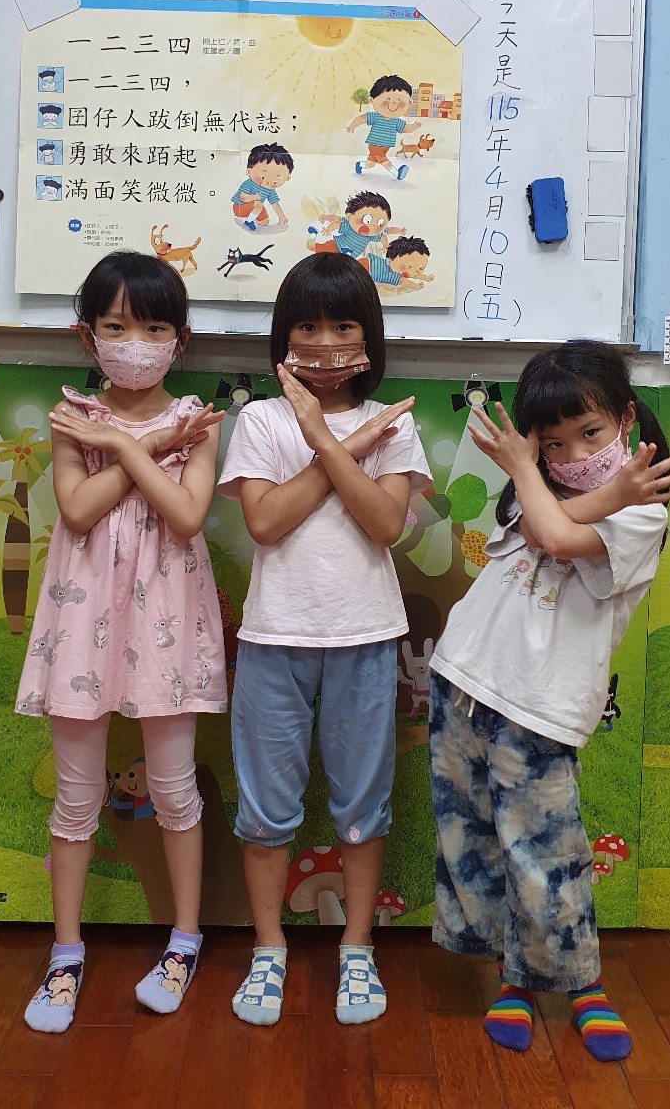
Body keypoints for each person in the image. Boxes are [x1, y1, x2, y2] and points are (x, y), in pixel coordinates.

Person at [427, 341, 670, 1062]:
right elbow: (548, 518)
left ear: (627, 418)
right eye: (553, 444)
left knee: (547, 852)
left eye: (590, 433)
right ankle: (512, 975)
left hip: (538, 708)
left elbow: (562, 538)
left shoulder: (643, 514)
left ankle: (582, 985)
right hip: (462, 684)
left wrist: (522, 465)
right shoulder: (534, 493)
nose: (574, 454)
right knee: (474, 842)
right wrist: (527, 471)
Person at [16, 249, 227, 1033]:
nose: (135, 342)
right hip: (83, 622)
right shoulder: (73, 416)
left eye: (154, 328)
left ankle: (184, 940)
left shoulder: (198, 422)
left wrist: (141, 446)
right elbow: (77, 510)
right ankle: (65, 954)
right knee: (76, 798)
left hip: (166, 622)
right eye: (116, 326)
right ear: (88, 335)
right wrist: (156, 448)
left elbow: (187, 514)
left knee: (174, 790)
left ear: (180, 339)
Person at [218, 253, 431, 1027]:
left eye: (344, 324)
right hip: (275, 637)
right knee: (265, 809)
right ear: (283, 336)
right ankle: (268, 948)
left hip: (366, 636)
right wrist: (323, 437)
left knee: (363, 806)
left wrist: (339, 438)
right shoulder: (260, 420)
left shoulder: (394, 423)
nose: (326, 340)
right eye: (307, 324)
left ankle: (357, 947)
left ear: (368, 336)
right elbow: (265, 522)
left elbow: (384, 524)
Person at [231, 143, 293, 231]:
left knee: (265, 222)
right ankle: (248, 221)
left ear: (287, 178)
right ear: (249, 172)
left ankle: (252, 216)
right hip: (240, 207)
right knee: (259, 204)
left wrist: (282, 216)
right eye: (263, 177)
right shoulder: (249, 183)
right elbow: (243, 197)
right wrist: (254, 197)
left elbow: (275, 204)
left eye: (275, 181)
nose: (268, 182)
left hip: (256, 207)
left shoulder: (270, 190)